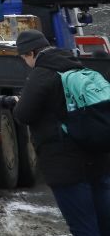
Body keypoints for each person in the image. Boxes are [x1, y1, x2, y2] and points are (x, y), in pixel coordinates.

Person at [10, 29, 110, 236]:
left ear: (30, 53)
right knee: (104, 222)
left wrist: (17, 103)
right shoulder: (75, 65)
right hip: (98, 157)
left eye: (23, 57)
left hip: (66, 165)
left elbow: (23, 114)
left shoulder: (42, 73)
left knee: (83, 226)